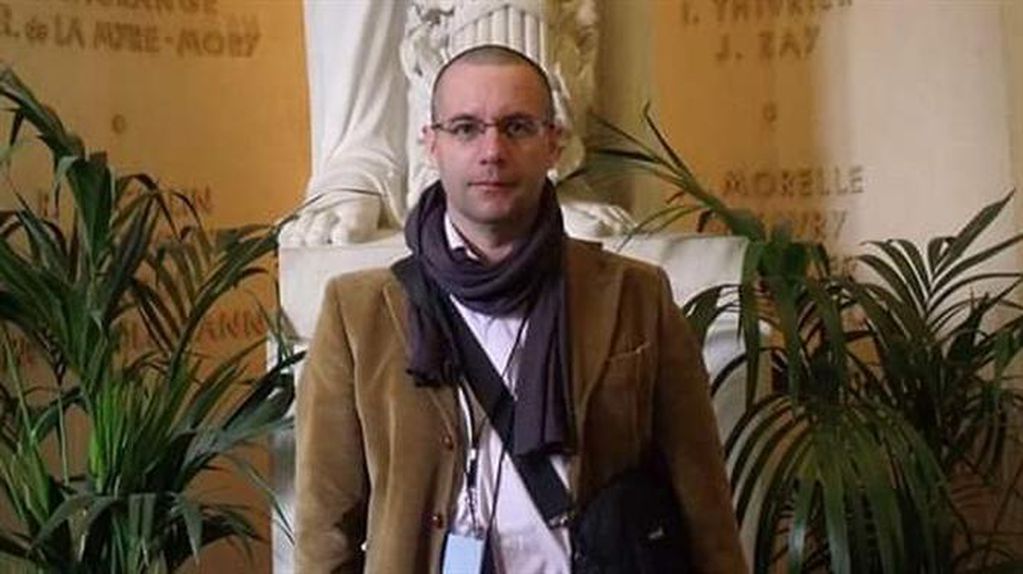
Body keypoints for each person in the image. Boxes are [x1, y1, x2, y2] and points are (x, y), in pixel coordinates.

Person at [294, 45, 746, 573]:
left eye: (517, 127)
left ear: (554, 143)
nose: (492, 151)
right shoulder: (358, 313)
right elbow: (325, 531)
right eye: (466, 128)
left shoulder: (636, 295)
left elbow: (705, 507)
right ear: (432, 144)